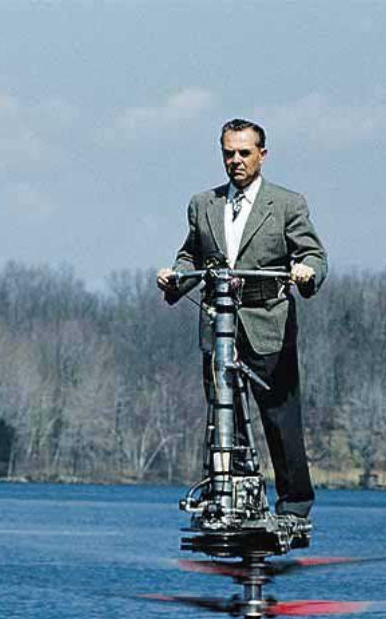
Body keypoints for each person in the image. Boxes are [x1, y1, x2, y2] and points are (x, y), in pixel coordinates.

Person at [157, 118, 327, 521]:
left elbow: (314, 256)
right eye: (228, 153)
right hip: (219, 326)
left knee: (281, 419)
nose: (236, 161)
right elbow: (190, 256)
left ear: (262, 156)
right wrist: (175, 279)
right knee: (222, 415)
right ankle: (227, 498)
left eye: (244, 153)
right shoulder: (203, 204)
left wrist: (305, 272)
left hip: (269, 323)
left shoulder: (287, 204)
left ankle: (295, 507)